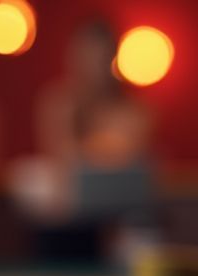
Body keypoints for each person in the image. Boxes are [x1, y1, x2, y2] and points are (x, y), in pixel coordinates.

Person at [10, 20, 155, 261]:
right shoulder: (58, 103)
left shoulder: (133, 110)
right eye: (86, 55)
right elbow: (63, 163)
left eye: (100, 55)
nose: (93, 66)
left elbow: (123, 158)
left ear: (112, 57)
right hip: (64, 227)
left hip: (118, 227)